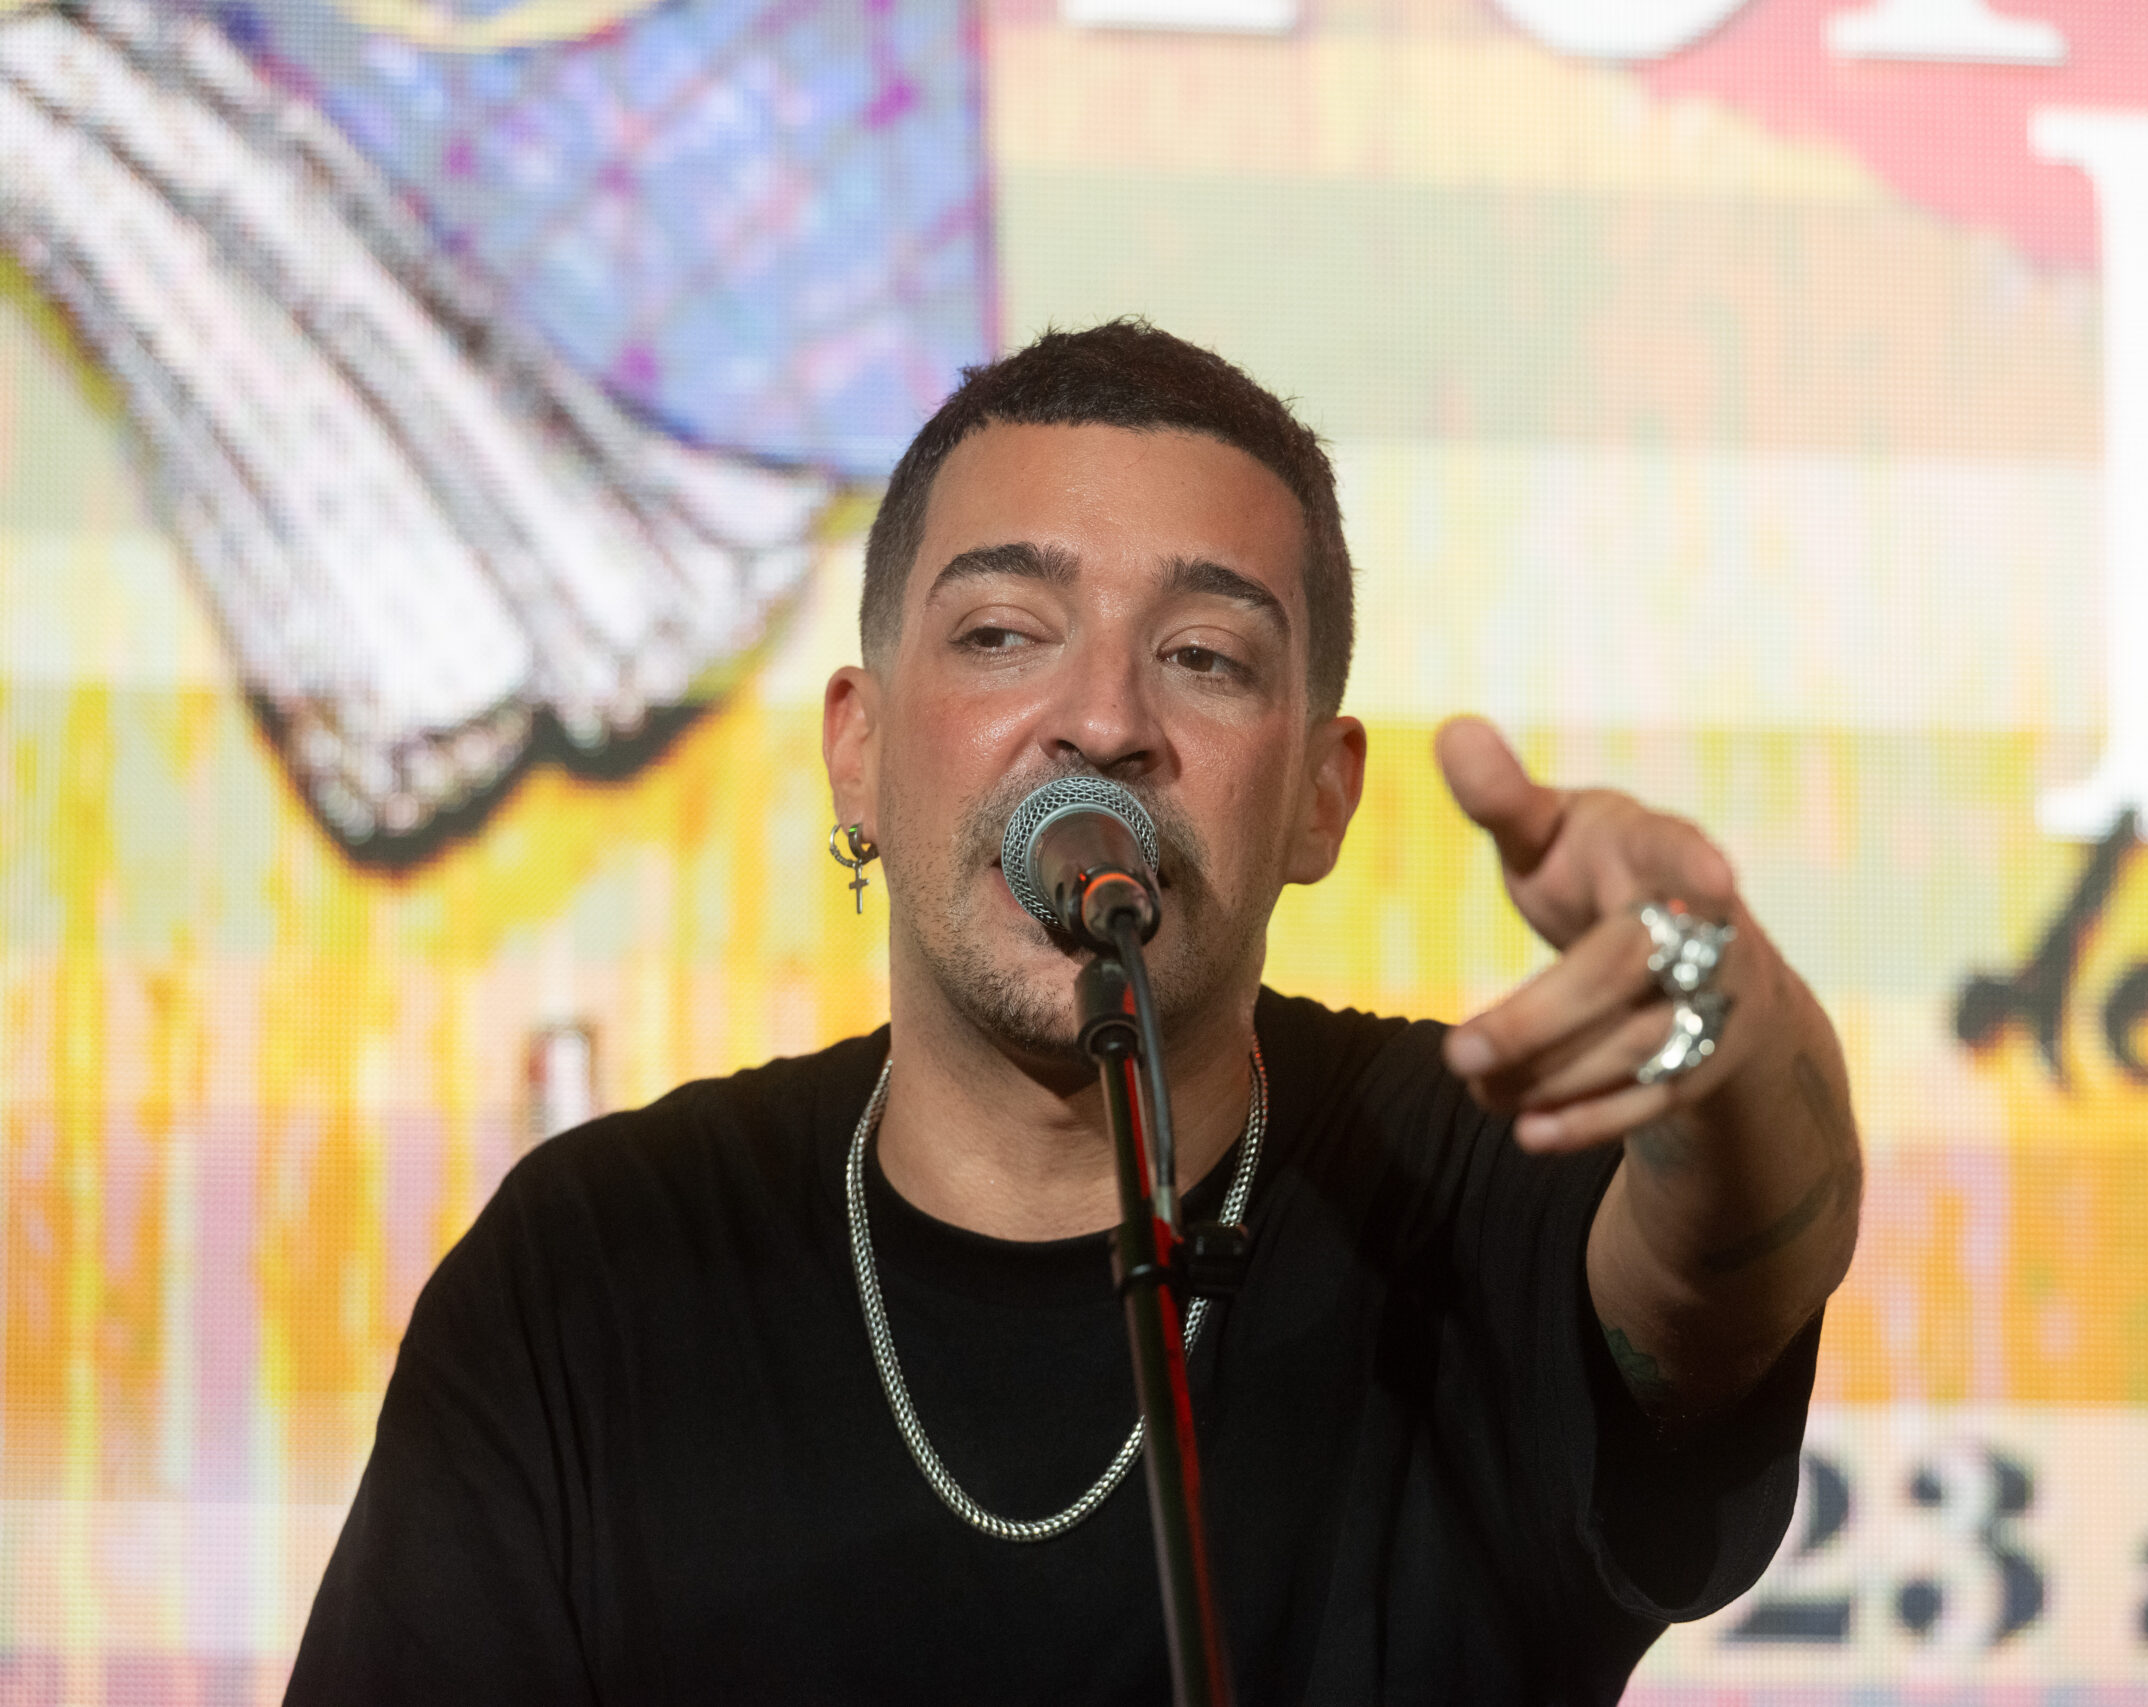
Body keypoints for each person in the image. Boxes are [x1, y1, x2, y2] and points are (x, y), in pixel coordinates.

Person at [286, 321, 1862, 1706]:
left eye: (1205, 657)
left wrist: (1721, 1021)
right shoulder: (595, 1270)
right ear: (858, 751)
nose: (1104, 721)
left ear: (1321, 798)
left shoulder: (1456, 1186)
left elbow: (1729, 1261)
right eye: (1001, 634)